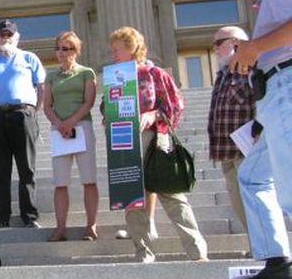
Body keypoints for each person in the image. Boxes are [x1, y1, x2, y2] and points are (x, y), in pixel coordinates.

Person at [216, 0, 292, 279]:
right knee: (253, 177)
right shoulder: (268, 0)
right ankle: (278, 262)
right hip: (274, 96)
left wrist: (253, 48)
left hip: (286, 86)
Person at [108, 26, 208, 263]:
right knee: (132, 199)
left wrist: (153, 115)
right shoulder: (115, 76)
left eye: (116, 50)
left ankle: (197, 251)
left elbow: (175, 104)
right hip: (124, 141)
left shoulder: (155, 74)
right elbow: (106, 107)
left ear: (132, 49)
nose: (113, 55)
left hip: (154, 139)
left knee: (172, 195)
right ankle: (143, 252)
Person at [0, 19, 45, 229]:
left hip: (23, 115)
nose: (5, 38)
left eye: (9, 34)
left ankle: (29, 215)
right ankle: (1, 216)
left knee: (27, 168)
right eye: (2, 34)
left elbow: (42, 86)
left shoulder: (29, 58)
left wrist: (36, 110)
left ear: (17, 37)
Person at [42, 31, 99, 242]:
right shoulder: (51, 76)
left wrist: (71, 122)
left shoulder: (86, 73)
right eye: (58, 48)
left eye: (66, 48)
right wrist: (59, 124)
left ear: (75, 51)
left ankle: (91, 226)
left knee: (89, 179)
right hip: (59, 130)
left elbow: (89, 102)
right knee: (60, 182)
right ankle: (60, 228)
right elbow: (46, 105)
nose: (61, 53)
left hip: (82, 127)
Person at [206, 26, 254, 237]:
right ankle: (259, 251)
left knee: (256, 203)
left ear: (235, 43)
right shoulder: (223, 73)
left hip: (249, 151)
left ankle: (272, 254)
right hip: (227, 152)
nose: (214, 49)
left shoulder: (253, 66)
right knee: (240, 206)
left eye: (219, 43)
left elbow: (262, 103)